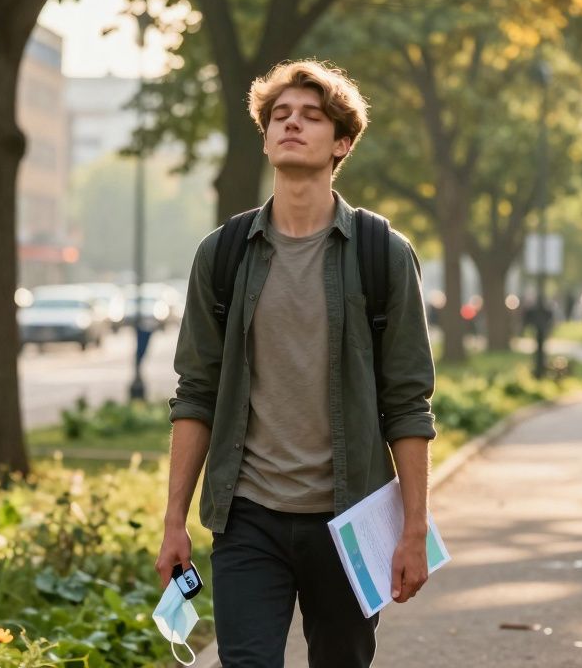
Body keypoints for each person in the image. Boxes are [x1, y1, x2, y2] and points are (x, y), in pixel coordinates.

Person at [158, 61, 436, 667]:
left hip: (349, 522)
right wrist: (174, 520)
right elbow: (196, 392)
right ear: (264, 136)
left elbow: (408, 402)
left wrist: (414, 527)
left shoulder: (380, 252)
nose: (292, 123)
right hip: (247, 518)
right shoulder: (224, 253)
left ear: (341, 143)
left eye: (311, 116)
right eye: (279, 115)